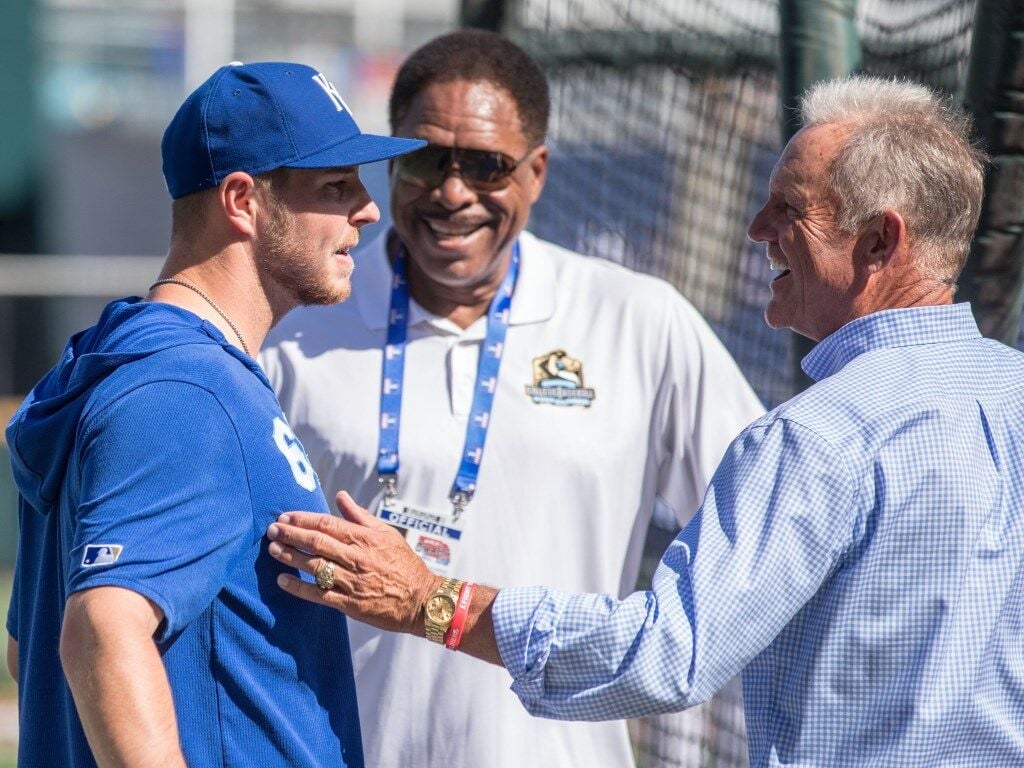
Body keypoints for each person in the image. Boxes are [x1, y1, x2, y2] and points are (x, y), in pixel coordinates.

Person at [265, 74, 1024, 766]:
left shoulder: (813, 436)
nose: (757, 228)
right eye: (428, 160)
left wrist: (427, 601)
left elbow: (672, 653)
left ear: (879, 240)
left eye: (788, 207)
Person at [260, 29, 764, 768]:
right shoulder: (298, 327)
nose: (454, 192)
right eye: (428, 159)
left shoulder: (637, 320)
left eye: (489, 167)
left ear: (537, 172)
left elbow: (762, 535)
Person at [4, 61, 423, 767]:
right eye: (334, 186)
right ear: (242, 200)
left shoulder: (120, 365)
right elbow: (100, 632)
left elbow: (29, 652)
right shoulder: (187, 390)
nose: (368, 209)